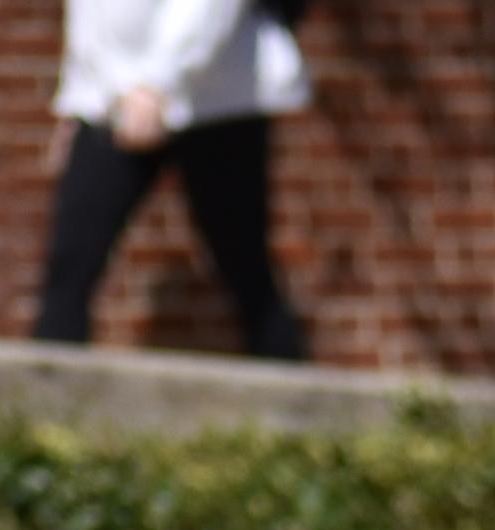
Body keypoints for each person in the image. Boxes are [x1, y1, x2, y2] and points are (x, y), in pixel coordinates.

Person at [32, 0, 311, 361]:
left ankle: (295, 410)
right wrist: (78, 101)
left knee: (248, 272)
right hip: (111, 101)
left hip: (216, 102)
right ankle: (44, 410)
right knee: (69, 268)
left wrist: (158, 82)